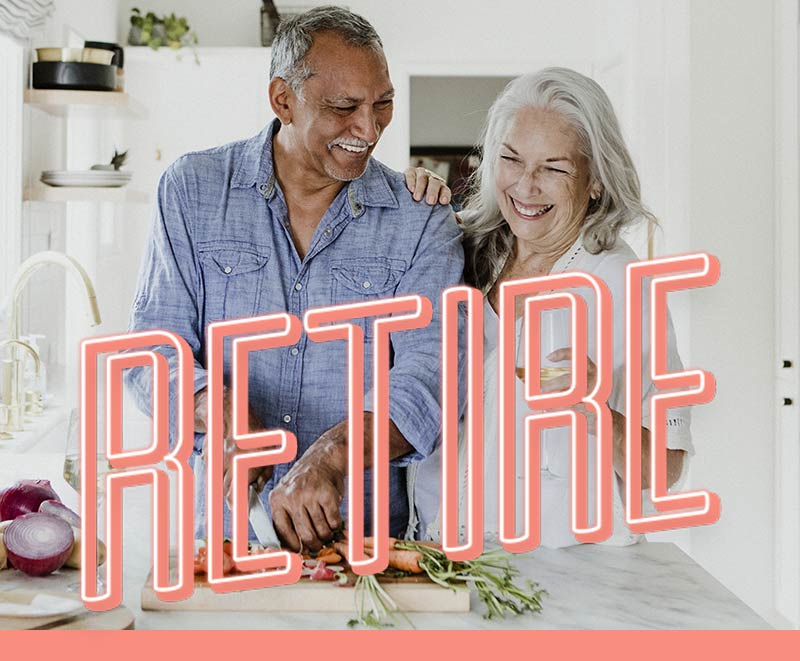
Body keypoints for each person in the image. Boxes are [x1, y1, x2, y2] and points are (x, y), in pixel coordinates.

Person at [125, 6, 463, 552]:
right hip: (223, 543)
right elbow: (148, 350)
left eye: (383, 104)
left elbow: (434, 376)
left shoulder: (421, 218)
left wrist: (333, 456)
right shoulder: (192, 191)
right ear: (283, 100)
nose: (369, 129)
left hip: (366, 548)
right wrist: (220, 407)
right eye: (343, 108)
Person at [406, 67, 692, 548]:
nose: (526, 186)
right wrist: (405, 201)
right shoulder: (460, 252)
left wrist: (594, 407)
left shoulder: (621, 285)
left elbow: (666, 470)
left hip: (562, 577)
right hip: (438, 550)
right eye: (511, 160)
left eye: (554, 168)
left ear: (595, 180)